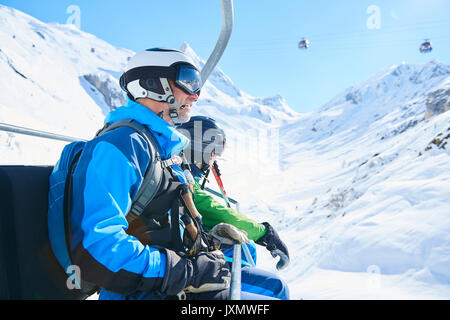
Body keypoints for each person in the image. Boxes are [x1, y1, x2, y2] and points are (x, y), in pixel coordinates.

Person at [47, 48, 231, 300]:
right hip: (139, 292)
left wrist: (207, 240)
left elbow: (160, 223)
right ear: (151, 84)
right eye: (188, 81)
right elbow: (98, 245)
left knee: (273, 287)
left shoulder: (160, 148)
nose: (195, 95)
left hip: (168, 286)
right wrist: (185, 271)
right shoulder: (122, 145)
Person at [176, 116, 291, 300]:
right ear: (200, 150)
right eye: (213, 153)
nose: (214, 159)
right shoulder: (183, 180)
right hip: (182, 270)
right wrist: (265, 233)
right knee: (277, 288)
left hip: (184, 260)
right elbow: (214, 210)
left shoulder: (183, 175)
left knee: (248, 250)